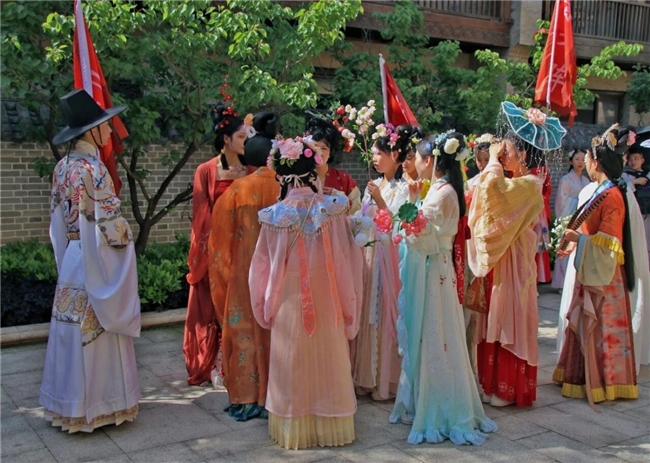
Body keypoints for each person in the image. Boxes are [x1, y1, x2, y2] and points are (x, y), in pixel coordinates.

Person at [250, 137, 363, 450]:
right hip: (328, 297)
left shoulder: (274, 216)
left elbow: (260, 269)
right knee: (329, 356)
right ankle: (332, 424)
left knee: (293, 358)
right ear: (313, 169)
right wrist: (349, 302)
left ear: (283, 174)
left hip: (288, 299)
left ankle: (294, 426)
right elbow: (347, 260)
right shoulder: (333, 210)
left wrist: (264, 306)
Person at [40, 89, 140, 432]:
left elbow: (56, 222)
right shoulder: (94, 170)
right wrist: (125, 236)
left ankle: (68, 405)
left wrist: (65, 255)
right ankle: (102, 405)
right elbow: (109, 226)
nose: (110, 130)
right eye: (106, 125)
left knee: (70, 332)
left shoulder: (62, 167)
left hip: (72, 256)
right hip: (95, 257)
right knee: (98, 330)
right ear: (92, 131)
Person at [390, 133, 497, 445]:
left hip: (434, 268)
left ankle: (437, 406)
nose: (415, 162)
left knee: (434, 334)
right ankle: (426, 398)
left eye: (418, 157)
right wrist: (413, 205)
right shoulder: (444, 189)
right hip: (438, 268)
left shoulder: (442, 194)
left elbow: (424, 237)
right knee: (437, 334)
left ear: (431, 160)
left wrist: (405, 217)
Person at [468, 103, 563, 407]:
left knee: (509, 316)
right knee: (494, 316)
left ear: (522, 154)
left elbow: (491, 194)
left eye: (506, 151)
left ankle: (507, 388)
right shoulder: (516, 181)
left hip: (514, 262)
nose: (501, 155)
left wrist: (493, 164)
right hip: (502, 259)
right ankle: (491, 383)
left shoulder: (531, 184)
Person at [553, 125, 638, 404]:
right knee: (588, 324)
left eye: (588, 158)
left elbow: (610, 242)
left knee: (601, 328)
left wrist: (579, 238)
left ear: (596, 162)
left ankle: (603, 382)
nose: (586, 162)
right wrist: (576, 242)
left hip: (604, 276)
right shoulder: (603, 191)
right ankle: (580, 377)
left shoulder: (611, 195)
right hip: (593, 268)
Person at [208, 111, 281, 421]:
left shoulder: (235, 192)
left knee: (243, 334)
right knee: (277, 333)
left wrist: (224, 283)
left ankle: (246, 397)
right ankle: (278, 396)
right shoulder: (287, 189)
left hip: (244, 276)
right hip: (280, 275)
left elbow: (218, 248)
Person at [183, 102, 254, 386]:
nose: (246, 141)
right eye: (241, 136)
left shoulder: (251, 169)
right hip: (216, 250)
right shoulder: (206, 171)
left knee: (242, 307)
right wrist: (210, 249)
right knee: (216, 307)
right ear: (226, 139)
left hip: (245, 247)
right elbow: (201, 214)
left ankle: (241, 363)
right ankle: (216, 363)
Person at [350, 124, 415, 401]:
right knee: (368, 310)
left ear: (395, 155)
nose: (375, 158)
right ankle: (366, 377)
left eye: (380, 153)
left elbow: (401, 224)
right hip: (370, 255)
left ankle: (385, 380)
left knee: (384, 312)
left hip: (388, 257)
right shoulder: (375, 185)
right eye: (374, 153)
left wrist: (379, 200)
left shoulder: (403, 188)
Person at [305, 111, 361, 214]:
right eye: (315, 147)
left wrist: (339, 197)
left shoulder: (344, 180)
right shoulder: (298, 178)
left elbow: (358, 211)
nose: (319, 152)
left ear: (331, 152)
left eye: (324, 148)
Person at [551, 149, 591, 291]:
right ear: (570, 161)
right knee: (565, 248)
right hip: (569, 217)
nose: (580, 162)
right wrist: (578, 202)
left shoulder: (586, 180)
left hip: (582, 218)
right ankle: (561, 284)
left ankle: (576, 282)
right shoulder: (566, 180)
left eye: (583, 159)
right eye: (577, 159)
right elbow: (562, 200)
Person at [622, 147, 650, 265]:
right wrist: (633, 182)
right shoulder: (625, 175)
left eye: (636, 158)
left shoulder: (648, 174)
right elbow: (623, 191)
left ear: (642, 160)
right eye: (630, 159)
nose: (633, 161)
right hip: (634, 211)